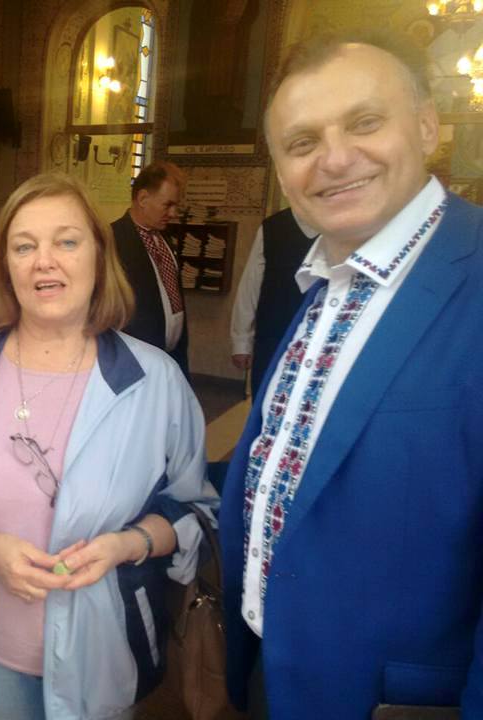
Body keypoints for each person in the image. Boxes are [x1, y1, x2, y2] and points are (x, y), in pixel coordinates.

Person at [0, 173, 218, 720]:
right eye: (24, 246)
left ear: (99, 257)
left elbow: (194, 508)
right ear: (6, 266)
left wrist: (126, 545)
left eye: (66, 241)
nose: (44, 261)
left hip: (104, 657)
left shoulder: (154, 382)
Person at [219, 29, 483, 719]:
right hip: (271, 672)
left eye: (364, 122)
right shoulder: (325, 284)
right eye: (303, 142)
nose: (334, 159)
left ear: (427, 126)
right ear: (283, 173)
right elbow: (296, 468)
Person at [112, 160, 191, 378]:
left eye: (176, 206)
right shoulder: (113, 240)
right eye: (167, 205)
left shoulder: (165, 238)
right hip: (135, 361)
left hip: (171, 357)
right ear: (143, 199)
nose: (173, 213)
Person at [229, 207, 317, 394]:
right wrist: (241, 340)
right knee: (266, 395)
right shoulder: (273, 227)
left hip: (319, 338)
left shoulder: (344, 226)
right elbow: (251, 284)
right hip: (273, 335)